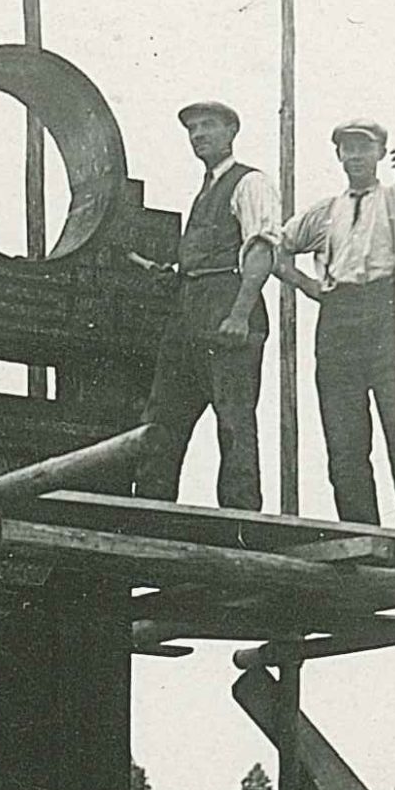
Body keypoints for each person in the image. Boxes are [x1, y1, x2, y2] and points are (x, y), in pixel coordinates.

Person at [276, 121, 395, 530]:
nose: (355, 156)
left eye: (363, 148)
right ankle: (360, 531)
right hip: (338, 318)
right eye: (347, 149)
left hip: (388, 313)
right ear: (338, 156)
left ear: (380, 153)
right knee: (344, 439)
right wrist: (308, 286)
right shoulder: (326, 212)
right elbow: (274, 248)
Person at [129, 102, 279, 512]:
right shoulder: (204, 190)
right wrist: (174, 272)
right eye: (192, 129)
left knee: (233, 422)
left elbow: (261, 250)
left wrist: (239, 314)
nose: (198, 134)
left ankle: (240, 522)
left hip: (226, 314)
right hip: (188, 315)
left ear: (232, 130)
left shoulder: (250, 183)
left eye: (208, 125)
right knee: (162, 419)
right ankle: (151, 513)